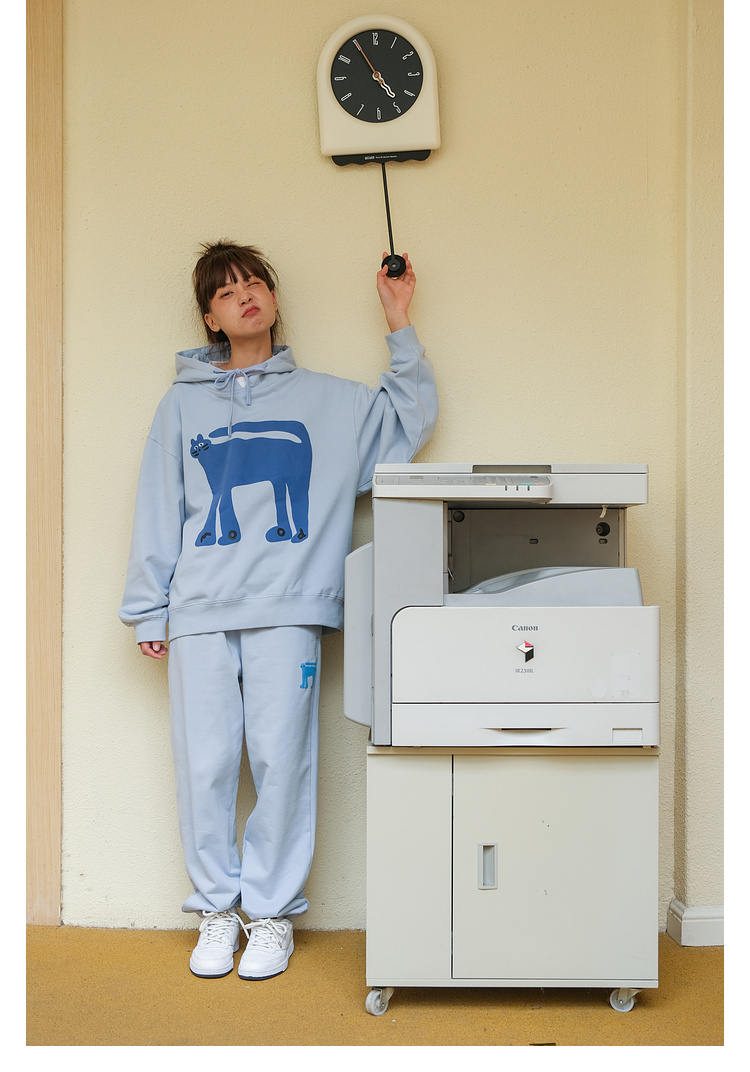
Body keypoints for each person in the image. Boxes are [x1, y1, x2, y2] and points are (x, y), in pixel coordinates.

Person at [119, 240, 438, 981]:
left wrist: (398, 319)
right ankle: (216, 908)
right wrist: (148, 610)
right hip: (198, 610)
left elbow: (409, 421)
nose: (246, 295)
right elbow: (158, 508)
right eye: (227, 291)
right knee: (205, 767)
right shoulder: (181, 406)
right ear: (211, 317)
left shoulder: (330, 402)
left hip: (289, 609)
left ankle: (268, 915)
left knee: (281, 761)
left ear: (273, 299)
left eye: (255, 283)